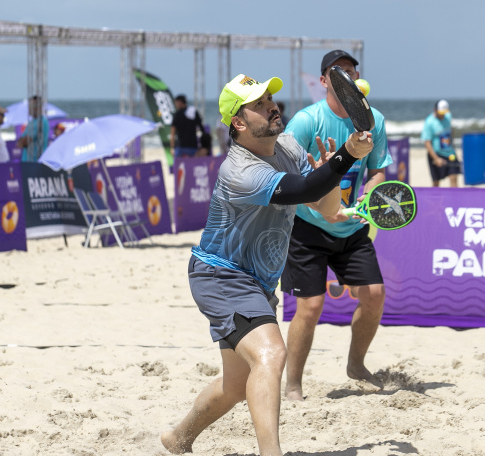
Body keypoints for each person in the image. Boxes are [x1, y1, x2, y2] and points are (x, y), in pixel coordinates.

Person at [160, 73, 373, 456]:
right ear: (239, 123)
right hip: (220, 274)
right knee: (272, 354)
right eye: (258, 104)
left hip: (256, 282)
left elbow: (323, 206)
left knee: (235, 385)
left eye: (270, 99)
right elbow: (304, 188)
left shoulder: (287, 147)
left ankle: (178, 438)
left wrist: (332, 174)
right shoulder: (239, 170)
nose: (272, 106)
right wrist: (345, 157)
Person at [281, 49, 393, 401]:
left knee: (374, 295)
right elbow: (286, 176)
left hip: (351, 226)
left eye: (351, 71)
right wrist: (323, 208)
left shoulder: (373, 120)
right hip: (307, 226)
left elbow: (377, 170)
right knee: (310, 306)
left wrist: (366, 200)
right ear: (324, 81)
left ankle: (356, 366)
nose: (347, 76)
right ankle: (293, 384)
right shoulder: (306, 121)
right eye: (338, 71)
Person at [422, 99, 462, 187]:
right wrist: (436, 158)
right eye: (441, 112)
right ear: (435, 110)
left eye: (444, 112)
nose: (442, 115)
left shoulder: (448, 116)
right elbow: (427, 142)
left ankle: (455, 195)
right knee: (436, 182)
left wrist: (453, 147)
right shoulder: (429, 122)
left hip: (450, 153)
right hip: (436, 154)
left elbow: (451, 131)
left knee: (454, 177)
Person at [170, 94, 207, 160]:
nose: (176, 105)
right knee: (193, 164)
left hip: (180, 146)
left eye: (176, 103)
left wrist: (172, 147)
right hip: (192, 144)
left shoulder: (177, 115)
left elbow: (173, 132)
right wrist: (204, 145)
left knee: (178, 164)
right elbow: (201, 128)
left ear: (180, 102)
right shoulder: (194, 112)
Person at [16, 95, 49, 162]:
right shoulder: (32, 122)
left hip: (34, 161)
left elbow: (23, 142)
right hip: (29, 161)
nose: (29, 108)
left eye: (31, 106)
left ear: (39, 107)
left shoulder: (40, 122)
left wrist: (22, 141)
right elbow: (19, 143)